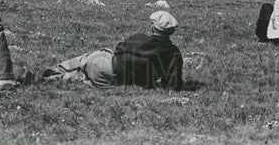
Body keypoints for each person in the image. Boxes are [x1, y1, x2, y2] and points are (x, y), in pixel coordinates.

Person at [43, 10, 184, 91]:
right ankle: (60, 78)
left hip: (104, 62)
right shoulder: (173, 53)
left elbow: (118, 50)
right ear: (171, 31)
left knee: (100, 54)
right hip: (113, 78)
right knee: (84, 80)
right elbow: (173, 84)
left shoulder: (138, 38)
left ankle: (59, 68)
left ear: (152, 28)